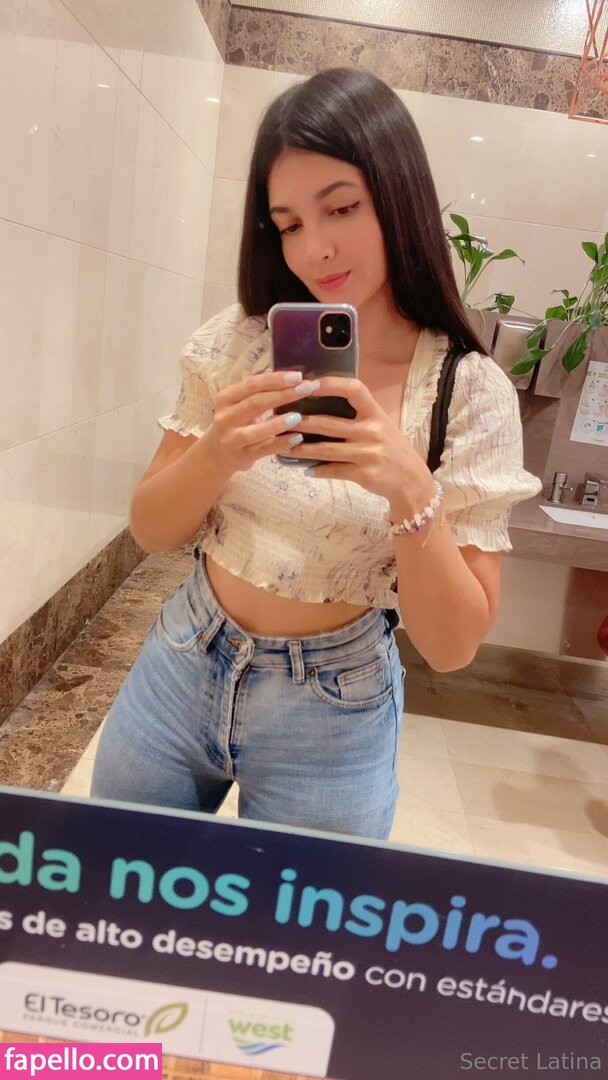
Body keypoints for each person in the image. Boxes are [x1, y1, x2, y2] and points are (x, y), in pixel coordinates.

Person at [92, 67, 540, 839]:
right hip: (184, 657)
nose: (315, 248)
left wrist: (410, 490)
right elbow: (150, 530)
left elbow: (452, 646)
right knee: (118, 884)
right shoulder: (241, 340)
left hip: (334, 708)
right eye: (289, 223)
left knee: (299, 915)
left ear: (397, 197)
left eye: (340, 207)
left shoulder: (468, 393)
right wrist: (218, 453)